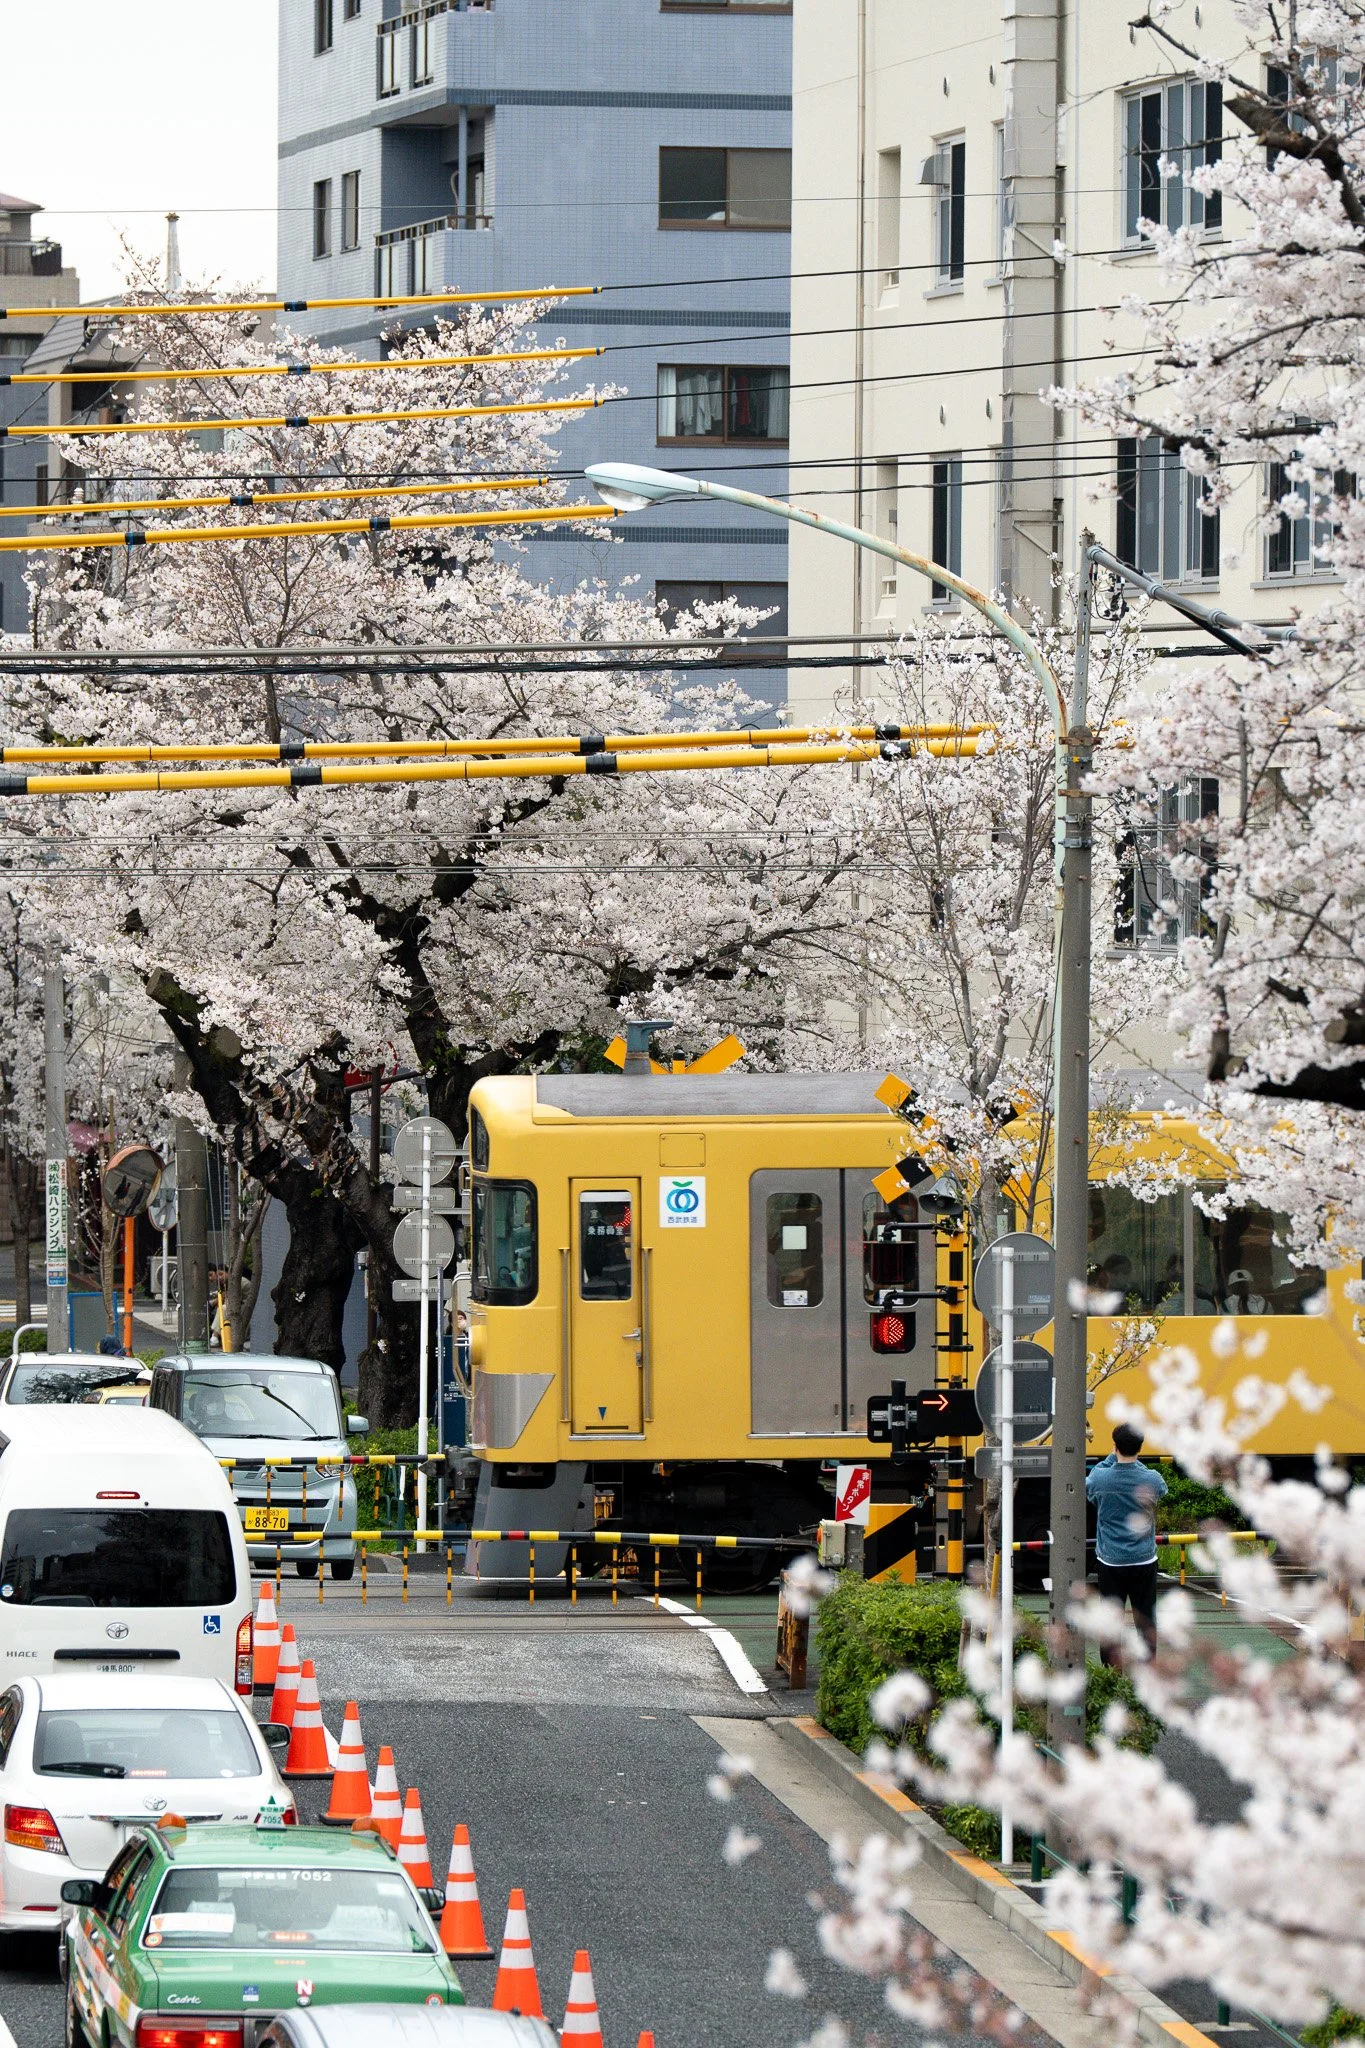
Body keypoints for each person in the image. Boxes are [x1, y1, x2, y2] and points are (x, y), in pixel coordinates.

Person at [1085, 1422, 1168, 1664]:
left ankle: (1112, 1673)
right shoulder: (1152, 1479)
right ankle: (1148, 1672)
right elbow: (1160, 1491)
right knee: (1146, 1620)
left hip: (1110, 1562)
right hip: (1144, 1559)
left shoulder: (1100, 1478)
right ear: (1140, 1447)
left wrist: (1112, 1457)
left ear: (1115, 1446)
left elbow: (1092, 1483)